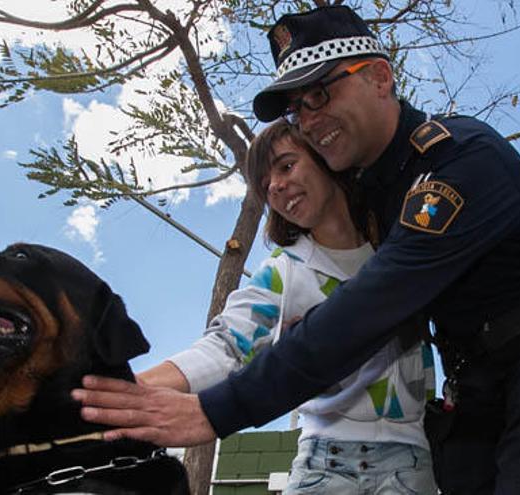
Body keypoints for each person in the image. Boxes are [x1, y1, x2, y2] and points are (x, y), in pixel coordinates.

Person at [75, 5, 520, 494]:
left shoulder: (457, 163)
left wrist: (217, 411)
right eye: (297, 109)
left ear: (380, 76)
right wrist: (123, 394)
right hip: (469, 390)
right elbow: (230, 343)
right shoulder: (368, 201)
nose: (309, 119)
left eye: (321, 94)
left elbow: (370, 306)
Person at [134, 119, 438, 494]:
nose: (275, 186)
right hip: (325, 466)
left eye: (286, 166)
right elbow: (228, 345)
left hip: (412, 464)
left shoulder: (402, 248)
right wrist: (132, 391)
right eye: (265, 185)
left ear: (325, 158)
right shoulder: (284, 271)